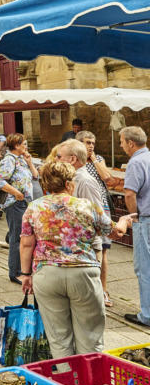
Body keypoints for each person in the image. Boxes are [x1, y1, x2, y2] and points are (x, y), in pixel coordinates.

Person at [20, 161, 128, 357]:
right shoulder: (86, 206)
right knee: (90, 335)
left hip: (47, 273)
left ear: (45, 185)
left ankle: (67, 381)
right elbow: (114, 232)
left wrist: (26, 275)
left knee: (58, 338)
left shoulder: (34, 208)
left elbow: (26, 244)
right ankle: (89, 383)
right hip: (83, 273)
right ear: (69, 184)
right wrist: (124, 221)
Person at [77, 130, 115, 306]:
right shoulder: (74, 159)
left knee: (103, 248)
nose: (91, 145)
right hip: (79, 209)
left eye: (93, 142)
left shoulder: (97, 159)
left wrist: (93, 160)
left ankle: (103, 289)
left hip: (100, 207)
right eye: (87, 142)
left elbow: (107, 177)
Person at [0, 133, 38, 283]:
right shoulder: (9, 160)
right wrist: (16, 193)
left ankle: (23, 270)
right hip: (15, 203)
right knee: (17, 239)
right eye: (24, 144)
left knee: (23, 237)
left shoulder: (21, 159)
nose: (26, 146)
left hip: (25, 203)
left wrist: (30, 162)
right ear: (16, 146)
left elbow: (35, 176)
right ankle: (15, 272)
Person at [121, 125, 150, 328]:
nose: (121, 146)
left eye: (122, 142)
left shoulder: (136, 162)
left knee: (144, 268)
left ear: (131, 143)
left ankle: (147, 314)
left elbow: (129, 193)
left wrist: (134, 217)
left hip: (146, 218)